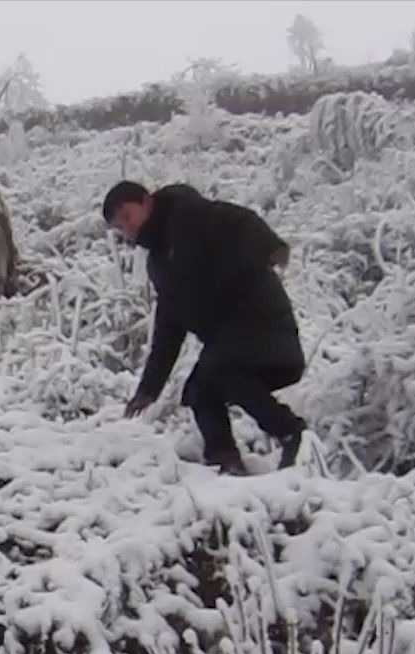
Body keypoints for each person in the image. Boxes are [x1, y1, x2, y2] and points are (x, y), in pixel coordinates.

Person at [102, 180, 308, 475]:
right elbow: (168, 327)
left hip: (259, 319)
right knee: (201, 389)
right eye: (119, 226)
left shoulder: (188, 215)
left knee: (218, 373)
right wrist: (150, 387)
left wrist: (271, 246)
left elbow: (239, 220)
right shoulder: (159, 262)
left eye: (126, 216)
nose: (127, 228)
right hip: (230, 338)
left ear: (146, 202)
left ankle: (292, 432)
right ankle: (226, 460)